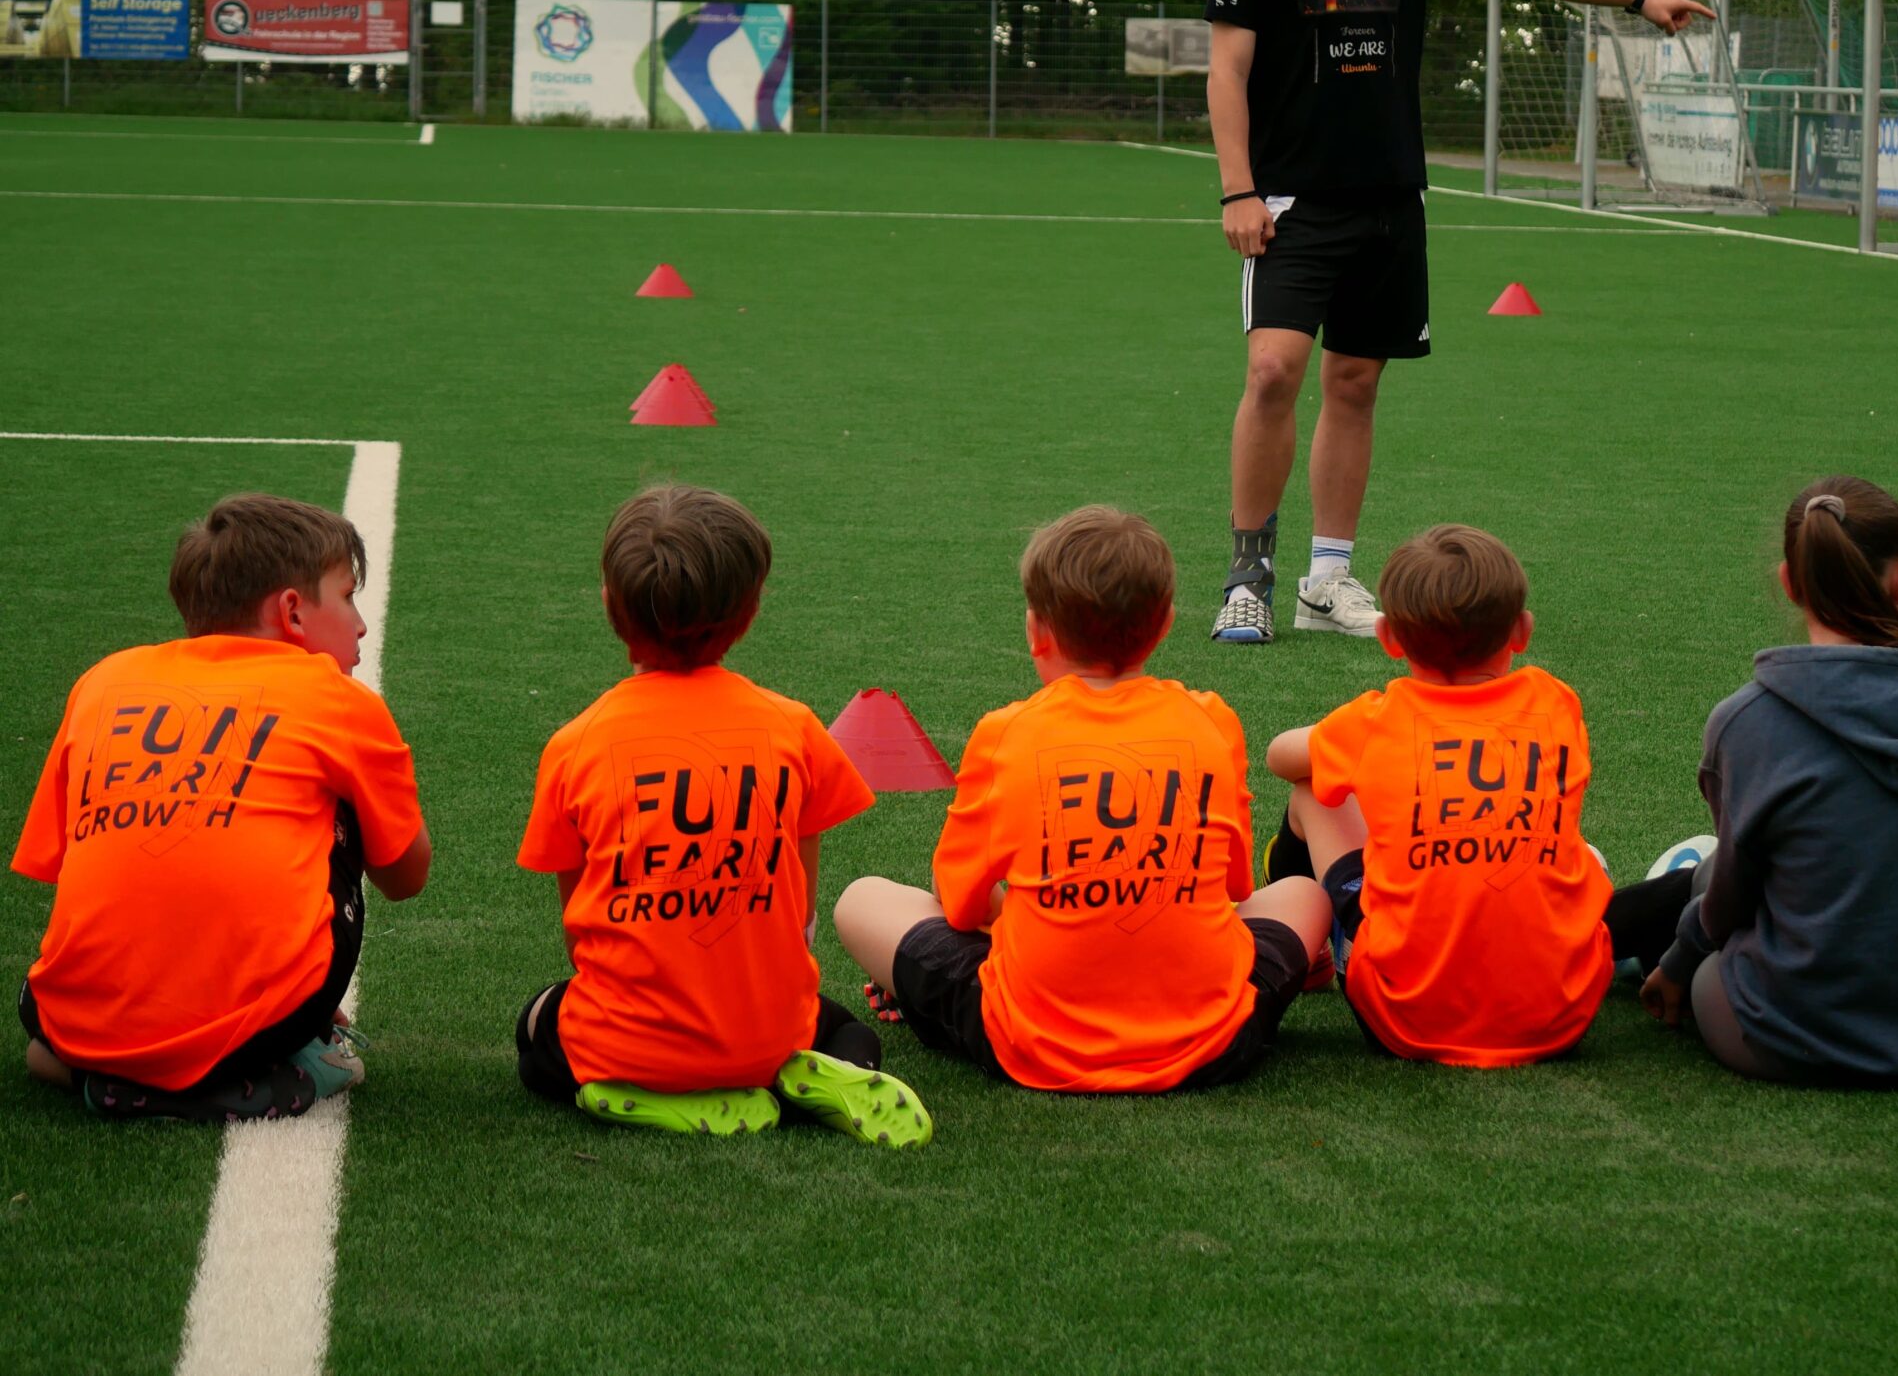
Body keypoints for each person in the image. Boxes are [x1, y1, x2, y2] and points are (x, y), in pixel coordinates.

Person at [1203, 0, 1713, 644]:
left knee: (1354, 382)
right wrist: (1238, 189)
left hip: (1390, 204)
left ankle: (1328, 582)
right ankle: (1248, 576)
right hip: (1291, 203)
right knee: (1273, 372)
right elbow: (1227, 71)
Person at [834, 506, 1331, 1092]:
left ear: (1036, 630)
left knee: (862, 900)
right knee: (1303, 893)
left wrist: (1039, 918)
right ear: (1166, 624)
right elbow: (1233, 889)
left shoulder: (1005, 733)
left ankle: (933, 992)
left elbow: (961, 907)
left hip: (1032, 1041)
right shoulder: (1212, 721)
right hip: (1215, 1042)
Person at [514, 485, 931, 1144]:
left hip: (628, 1042)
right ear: (751, 610)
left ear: (610, 605)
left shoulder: (575, 745)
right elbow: (800, 913)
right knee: (846, 1029)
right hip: (768, 1035)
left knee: (534, 1028)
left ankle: (645, 1095)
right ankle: (827, 1073)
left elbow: (580, 935)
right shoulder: (793, 728)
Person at [13, 494, 429, 1120]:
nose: (362, 624)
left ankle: (87, 1065)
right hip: (261, 1027)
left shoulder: (103, 681)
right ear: (292, 611)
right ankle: (263, 1063)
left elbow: (67, 858)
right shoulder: (335, 698)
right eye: (347, 597)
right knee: (339, 814)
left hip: (67, 1013)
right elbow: (405, 876)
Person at [1627, 477, 1898, 1084]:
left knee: (1710, 947)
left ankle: (1592, 940)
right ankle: (1617, 926)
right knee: (1718, 871)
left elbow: (1736, 893)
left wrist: (1681, 957)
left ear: (1789, 582)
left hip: (1799, 1037)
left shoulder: (1746, 719)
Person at [1263, 525, 1613, 1066]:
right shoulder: (1556, 703)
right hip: (1563, 1017)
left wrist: (1347, 746)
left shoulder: (1378, 720)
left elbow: (1279, 756)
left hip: (1403, 1019)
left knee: (1312, 791)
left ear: (1388, 639)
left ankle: (1308, 956)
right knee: (1583, 858)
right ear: (1522, 631)